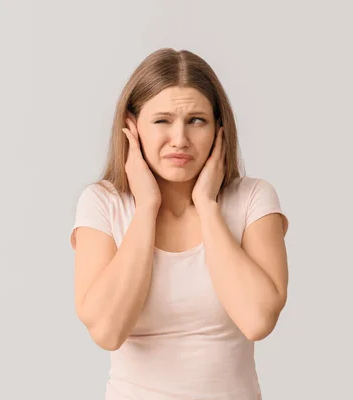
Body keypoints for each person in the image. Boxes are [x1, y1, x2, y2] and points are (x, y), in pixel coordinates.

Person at [69, 48, 289, 399]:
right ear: (132, 125)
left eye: (196, 120)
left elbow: (257, 320)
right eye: (162, 121)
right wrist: (146, 208)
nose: (180, 139)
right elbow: (108, 331)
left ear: (219, 128)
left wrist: (207, 206)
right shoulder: (102, 204)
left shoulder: (253, 199)